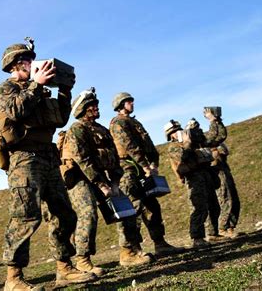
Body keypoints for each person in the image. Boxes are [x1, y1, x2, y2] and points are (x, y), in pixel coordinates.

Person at [0, 40, 96, 290]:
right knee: (25, 216)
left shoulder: (40, 91)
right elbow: (16, 111)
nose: (34, 65)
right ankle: (13, 278)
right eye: (27, 61)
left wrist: (65, 90)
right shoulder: (4, 89)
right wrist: (35, 86)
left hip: (48, 156)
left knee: (64, 213)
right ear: (15, 65)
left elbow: (60, 119)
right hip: (23, 158)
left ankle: (64, 268)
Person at [59, 88, 152, 274]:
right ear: (83, 109)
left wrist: (115, 182)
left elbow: (114, 157)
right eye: (92, 105)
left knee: (126, 209)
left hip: (103, 178)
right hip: (80, 179)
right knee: (88, 213)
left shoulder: (102, 129)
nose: (96, 107)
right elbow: (82, 159)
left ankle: (128, 252)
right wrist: (101, 185)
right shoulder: (77, 128)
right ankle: (82, 260)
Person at [109, 92, 183, 258]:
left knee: (152, 206)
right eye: (128, 101)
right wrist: (145, 165)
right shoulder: (118, 123)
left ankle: (160, 243)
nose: (132, 103)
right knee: (132, 208)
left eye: (131, 101)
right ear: (120, 105)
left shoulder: (134, 122)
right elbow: (129, 146)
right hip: (128, 170)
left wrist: (154, 163)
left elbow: (148, 144)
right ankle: (130, 250)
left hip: (143, 169)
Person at [165, 120, 214, 248]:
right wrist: (187, 143)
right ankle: (197, 238)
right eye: (175, 131)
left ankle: (211, 233)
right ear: (171, 135)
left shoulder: (190, 144)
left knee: (207, 205)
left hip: (202, 175)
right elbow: (182, 158)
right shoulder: (173, 147)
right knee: (197, 207)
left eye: (180, 129)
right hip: (193, 178)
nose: (179, 132)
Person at [203, 107, 240, 238]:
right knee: (226, 198)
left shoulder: (212, 139)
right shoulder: (204, 140)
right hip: (216, 171)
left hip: (224, 168)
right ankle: (223, 228)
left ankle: (230, 226)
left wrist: (216, 121)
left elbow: (221, 137)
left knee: (233, 199)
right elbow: (215, 137)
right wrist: (212, 120)